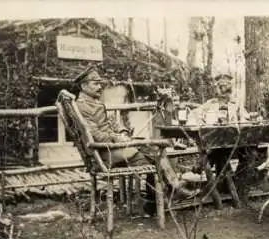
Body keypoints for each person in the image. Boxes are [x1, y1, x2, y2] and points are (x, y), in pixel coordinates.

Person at [74, 66, 199, 215]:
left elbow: (113, 125)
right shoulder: (81, 107)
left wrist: (121, 132)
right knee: (155, 154)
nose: (100, 87)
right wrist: (118, 138)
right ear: (83, 86)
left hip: (110, 148)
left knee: (152, 150)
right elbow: (96, 136)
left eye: (100, 83)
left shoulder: (94, 103)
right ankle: (168, 192)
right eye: (95, 83)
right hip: (103, 154)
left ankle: (160, 198)